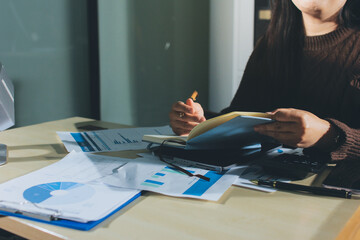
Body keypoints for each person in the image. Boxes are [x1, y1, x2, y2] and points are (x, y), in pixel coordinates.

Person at [169, 0, 360, 161]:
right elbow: (244, 117)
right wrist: (200, 123)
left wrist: (329, 136)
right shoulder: (271, 45)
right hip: (269, 184)